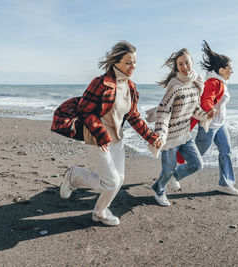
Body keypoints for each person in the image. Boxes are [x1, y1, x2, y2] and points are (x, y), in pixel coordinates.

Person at [57, 41, 161, 226]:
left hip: (117, 138)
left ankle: (99, 212)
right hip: (98, 137)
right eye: (128, 62)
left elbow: (133, 116)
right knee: (111, 182)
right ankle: (74, 176)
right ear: (116, 61)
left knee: (119, 180)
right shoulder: (100, 82)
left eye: (135, 62)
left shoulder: (130, 87)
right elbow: (85, 110)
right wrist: (101, 134)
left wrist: (151, 137)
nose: (132, 67)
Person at [148, 48, 217, 206]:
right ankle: (159, 191)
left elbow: (194, 109)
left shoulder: (195, 83)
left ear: (192, 62)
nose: (184, 66)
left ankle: (173, 177)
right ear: (177, 66)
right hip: (171, 136)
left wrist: (206, 116)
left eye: (186, 62)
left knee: (197, 165)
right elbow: (163, 109)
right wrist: (161, 133)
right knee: (167, 170)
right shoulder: (174, 85)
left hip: (185, 135)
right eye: (180, 64)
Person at [193, 40, 238, 195]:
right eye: (230, 69)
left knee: (226, 151)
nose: (232, 72)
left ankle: (225, 183)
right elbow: (206, 99)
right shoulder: (213, 82)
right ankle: (172, 174)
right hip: (209, 125)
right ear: (220, 69)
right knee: (195, 156)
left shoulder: (221, 82)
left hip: (220, 124)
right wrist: (210, 108)